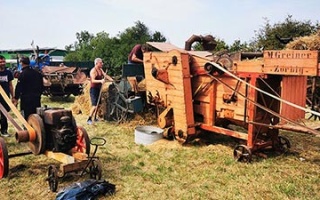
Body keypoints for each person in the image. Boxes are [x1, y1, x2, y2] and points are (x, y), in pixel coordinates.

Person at [87, 58, 113, 125]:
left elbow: (105, 75)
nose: (102, 64)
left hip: (98, 89)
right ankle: (89, 119)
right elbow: (92, 80)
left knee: (98, 105)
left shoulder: (100, 69)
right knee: (94, 105)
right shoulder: (93, 71)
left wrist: (112, 80)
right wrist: (101, 81)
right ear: (96, 63)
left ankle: (95, 117)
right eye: (101, 63)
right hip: (93, 89)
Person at [0, 55, 14, 137]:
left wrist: (13, 96)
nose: (2, 63)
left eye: (3, 61)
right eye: (1, 62)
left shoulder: (8, 72)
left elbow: (10, 85)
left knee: (4, 114)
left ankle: (4, 131)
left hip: (5, 97)